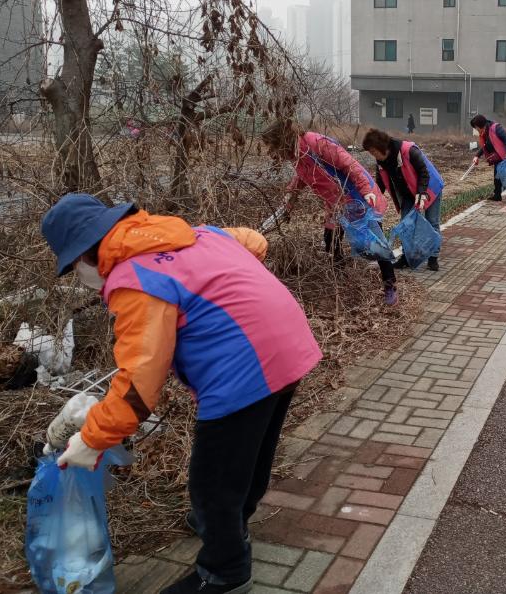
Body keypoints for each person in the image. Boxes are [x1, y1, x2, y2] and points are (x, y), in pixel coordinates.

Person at [40, 194, 322, 594]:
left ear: (87, 253)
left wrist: (92, 439)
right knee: (249, 456)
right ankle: (228, 522)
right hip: (288, 344)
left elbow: (139, 384)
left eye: (74, 266)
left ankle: (225, 571)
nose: (80, 273)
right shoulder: (193, 235)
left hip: (240, 370)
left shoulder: (134, 279)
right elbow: (256, 241)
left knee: (211, 482)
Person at [262, 122, 399, 306]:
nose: (272, 152)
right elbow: (302, 177)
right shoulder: (296, 155)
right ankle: (342, 280)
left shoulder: (316, 143)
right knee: (330, 240)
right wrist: (289, 203)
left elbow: (348, 164)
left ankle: (390, 286)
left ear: (282, 141)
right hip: (335, 204)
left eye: (273, 146)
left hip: (357, 197)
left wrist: (366, 190)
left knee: (376, 243)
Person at [362, 128, 445, 271]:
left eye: (374, 151)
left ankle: (433, 257)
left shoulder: (408, 150)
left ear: (382, 147)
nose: (373, 155)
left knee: (432, 222)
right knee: (406, 226)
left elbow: (423, 172)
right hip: (407, 194)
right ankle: (406, 258)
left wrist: (421, 192)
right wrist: (373, 200)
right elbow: (380, 184)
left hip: (430, 188)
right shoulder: (381, 162)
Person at [470, 113, 506, 202]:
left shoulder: (496, 128)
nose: (476, 129)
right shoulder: (484, 133)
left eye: (476, 127)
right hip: (498, 156)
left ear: (481, 125)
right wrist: (477, 156)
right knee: (497, 177)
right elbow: (485, 146)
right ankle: (497, 195)